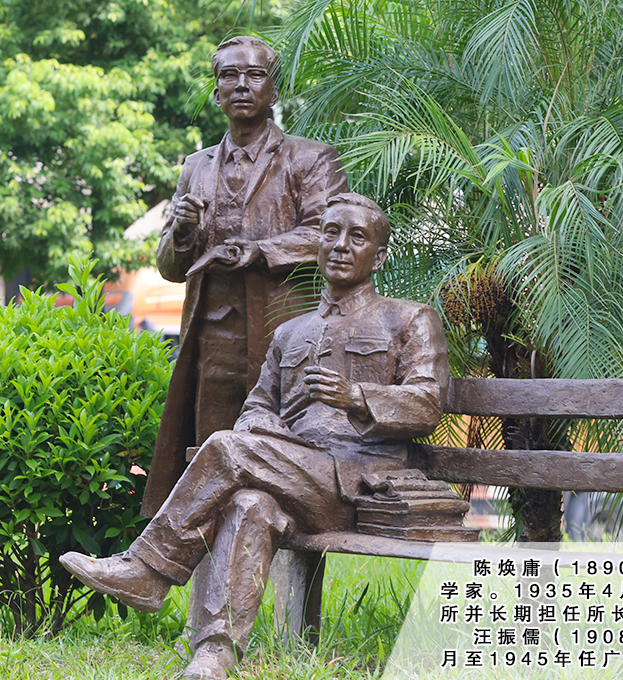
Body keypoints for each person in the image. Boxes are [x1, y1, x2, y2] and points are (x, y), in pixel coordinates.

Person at [63, 194, 446, 679]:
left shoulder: (409, 318)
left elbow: (427, 404)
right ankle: (214, 655)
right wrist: (261, 426)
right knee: (250, 505)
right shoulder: (290, 332)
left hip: (357, 483)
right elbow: (257, 406)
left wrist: (355, 396)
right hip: (289, 471)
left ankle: (149, 569)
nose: (340, 245)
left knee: (226, 447)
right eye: (330, 233)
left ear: (380, 255)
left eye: (357, 237)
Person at [143, 35, 351, 518]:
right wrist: (182, 231)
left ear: (274, 90)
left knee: (287, 457)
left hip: (287, 335)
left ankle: (285, 560)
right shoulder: (195, 167)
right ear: (216, 91)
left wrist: (261, 251)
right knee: (209, 459)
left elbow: (329, 234)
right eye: (229, 76)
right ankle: (208, 561)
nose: (241, 85)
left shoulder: (310, 158)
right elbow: (170, 267)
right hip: (212, 341)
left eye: (255, 75)